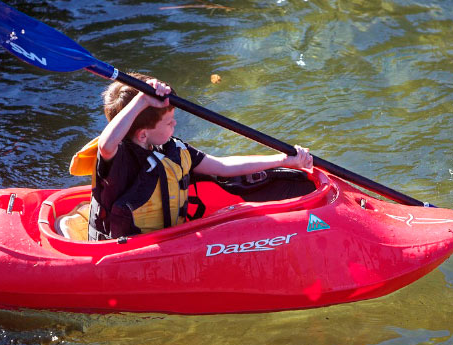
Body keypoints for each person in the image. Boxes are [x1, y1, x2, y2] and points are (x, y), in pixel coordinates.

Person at [76, 73, 313, 241]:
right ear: (142, 134)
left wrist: (283, 160)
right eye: (169, 122)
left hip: (168, 238)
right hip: (121, 249)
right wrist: (141, 101)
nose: (175, 124)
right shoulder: (119, 158)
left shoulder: (170, 149)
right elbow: (107, 145)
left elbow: (223, 166)